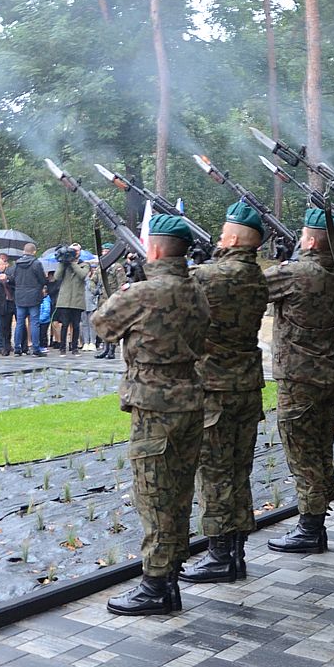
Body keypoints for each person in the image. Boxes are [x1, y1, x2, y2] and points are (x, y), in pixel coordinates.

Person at [93, 215, 210, 615]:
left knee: (153, 496)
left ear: (155, 250)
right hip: (191, 398)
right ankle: (170, 578)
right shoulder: (197, 291)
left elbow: (103, 326)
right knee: (178, 494)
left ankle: (155, 587)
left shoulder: (143, 293)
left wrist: (122, 290)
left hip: (153, 405)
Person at [180, 202, 269, 586]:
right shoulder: (260, 276)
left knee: (214, 472)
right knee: (238, 470)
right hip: (247, 385)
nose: (218, 239)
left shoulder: (208, 276)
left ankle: (219, 555)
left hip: (214, 387)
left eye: (221, 234)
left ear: (232, 238)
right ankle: (235, 551)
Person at [263, 206, 334, 555]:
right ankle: (318, 516)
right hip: (328, 371)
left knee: (301, 452)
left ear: (311, 239)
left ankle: (310, 526)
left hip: (299, 376)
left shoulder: (297, 273)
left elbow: (252, 288)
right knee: (321, 447)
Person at [52, 244, 90, 355]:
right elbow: (57, 277)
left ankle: (74, 347)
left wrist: (72, 262)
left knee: (76, 325)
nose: (75, 252)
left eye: (77, 251)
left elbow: (82, 275)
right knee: (64, 324)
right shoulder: (64, 264)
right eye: (73, 250)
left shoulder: (84, 264)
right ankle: (62, 348)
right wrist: (62, 263)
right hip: (65, 300)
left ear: (80, 252)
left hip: (77, 300)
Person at [93, 243, 127, 359]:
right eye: (103, 251)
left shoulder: (117, 267)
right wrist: (95, 290)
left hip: (112, 299)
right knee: (104, 325)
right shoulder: (100, 267)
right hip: (102, 300)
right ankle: (105, 348)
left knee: (113, 325)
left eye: (107, 251)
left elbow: (122, 283)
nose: (104, 253)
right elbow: (92, 281)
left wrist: (117, 297)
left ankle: (112, 349)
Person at [11, 243, 46, 357]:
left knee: (19, 323)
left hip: (20, 296)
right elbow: (42, 280)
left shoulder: (17, 264)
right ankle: (36, 349)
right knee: (34, 322)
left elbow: (13, 279)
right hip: (34, 296)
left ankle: (17, 348)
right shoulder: (36, 264)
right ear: (34, 252)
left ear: (23, 251)